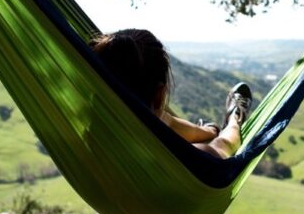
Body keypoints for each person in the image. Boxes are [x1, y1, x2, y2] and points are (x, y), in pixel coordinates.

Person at [89, 29, 252, 159]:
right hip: (164, 180)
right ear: (160, 95)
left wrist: (209, 131)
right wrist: (233, 123)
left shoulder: (83, 139)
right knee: (225, 135)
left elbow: (167, 122)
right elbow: (227, 144)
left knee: (156, 120)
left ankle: (208, 130)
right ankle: (235, 115)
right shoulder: (188, 161)